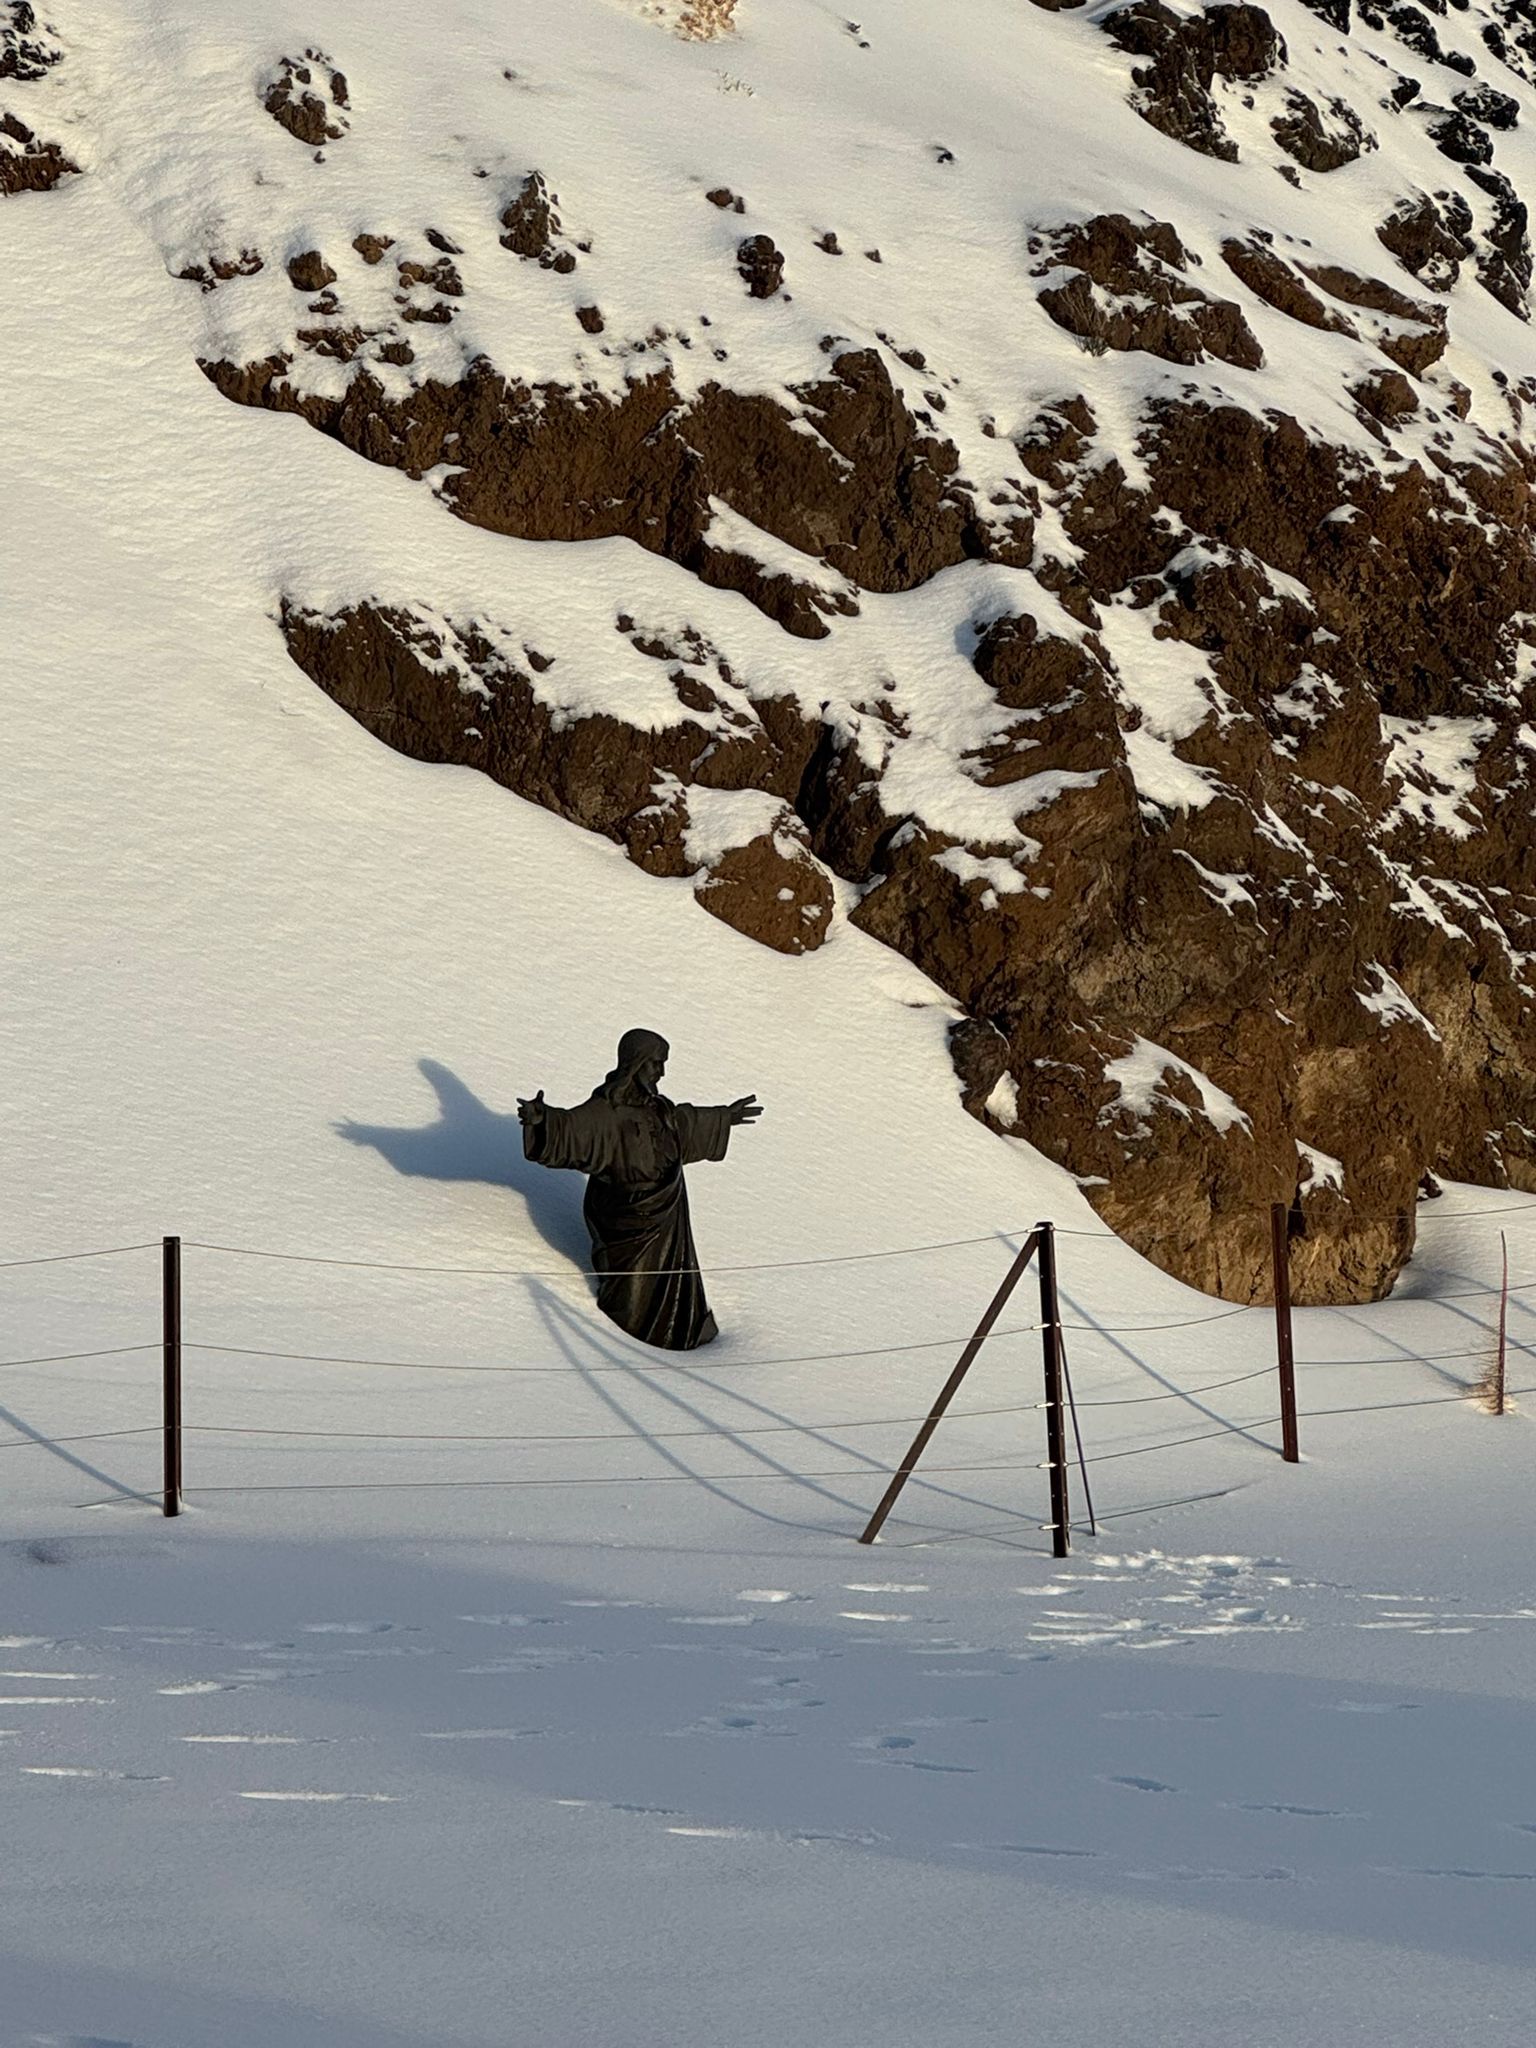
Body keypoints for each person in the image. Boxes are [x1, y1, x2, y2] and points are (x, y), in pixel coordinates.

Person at [518, 1029, 761, 1350]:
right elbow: (572, 1128)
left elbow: (684, 1123)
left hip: (667, 1219)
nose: (661, 1072)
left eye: (663, 1064)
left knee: (673, 1288)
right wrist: (541, 1120)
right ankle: (635, 1342)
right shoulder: (607, 1112)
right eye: (655, 1063)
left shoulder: (659, 1110)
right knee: (633, 1298)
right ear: (635, 1063)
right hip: (629, 1225)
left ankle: (680, 1334)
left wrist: (723, 1117)